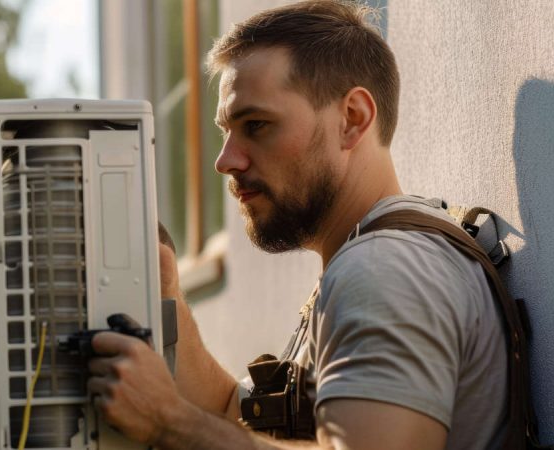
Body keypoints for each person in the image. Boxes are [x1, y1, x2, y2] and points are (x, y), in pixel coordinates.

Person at [86, 1, 507, 449]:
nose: (225, 160)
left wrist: (168, 423)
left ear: (353, 119)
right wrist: (166, 284)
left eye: (257, 124)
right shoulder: (378, 254)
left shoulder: (384, 269)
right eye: (227, 131)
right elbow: (236, 413)